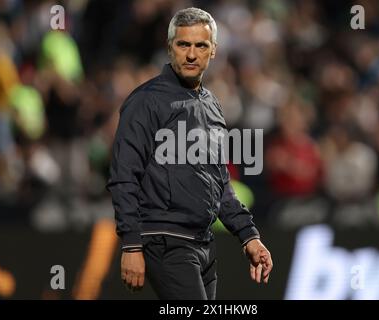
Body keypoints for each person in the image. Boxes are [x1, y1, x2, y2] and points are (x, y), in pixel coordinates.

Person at [107, 7, 273, 300]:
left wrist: (249, 236)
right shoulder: (145, 102)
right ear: (170, 48)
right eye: (183, 44)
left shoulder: (212, 106)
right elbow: (124, 176)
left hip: (204, 243)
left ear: (214, 52)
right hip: (166, 242)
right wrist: (131, 245)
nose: (192, 54)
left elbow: (220, 182)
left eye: (201, 45)